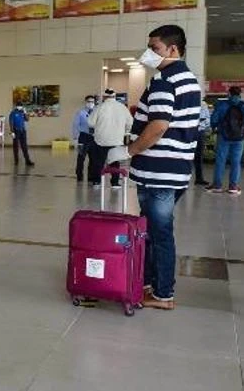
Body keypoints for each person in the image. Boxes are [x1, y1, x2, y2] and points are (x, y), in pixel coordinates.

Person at [107, 25, 201, 310]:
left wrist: (128, 151)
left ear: (173, 49)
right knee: (153, 231)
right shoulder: (189, 79)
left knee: (159, 235)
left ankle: (162, 293)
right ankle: (148, 282)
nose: (149, 53)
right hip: (176, 170)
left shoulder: (164, 79)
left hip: (159, 171)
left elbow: (158, 126)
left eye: (155, 48)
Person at [207, 86, 244, 195]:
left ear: (229, 93)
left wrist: (214, 127)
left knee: (220, 161)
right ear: (239, 94)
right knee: (236, 162)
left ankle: (217, 186)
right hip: (239, 138)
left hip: (223, 136)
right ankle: (233, 186)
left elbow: (214, 118)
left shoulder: (222, 104)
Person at [88, 89, 133, 189]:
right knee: (115, 161)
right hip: (117, 140)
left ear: (104, 97)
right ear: (114, 96)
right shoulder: (122, 107)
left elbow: (90, 123)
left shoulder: (99, 107)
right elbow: (130, 122)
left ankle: (97, 182)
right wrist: (125, 131)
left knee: (98, 162)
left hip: (101, 140)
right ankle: (115, 183)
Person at [72, 95, 96, 183]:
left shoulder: (96, 112)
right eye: (89, 102)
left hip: (94, 137)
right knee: (81, 157)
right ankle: (79, 175)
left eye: (92, 102)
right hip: (83, 137)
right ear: (85, 102)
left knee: (93, 158)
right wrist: (75, 137)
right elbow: (75, 125)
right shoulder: (80, 112)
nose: (90, 103)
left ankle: (91, 176)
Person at [8, 102, 34, 166]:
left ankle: (27, 161)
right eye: (18, 106)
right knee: (16, 146)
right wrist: (12, 132)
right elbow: (11, 122)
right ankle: (16, 161)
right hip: (16, 131)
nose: (20, 107)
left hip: (23, 131)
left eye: (21, 106)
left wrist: (25, 112)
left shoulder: (22, 112)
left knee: (24, 146)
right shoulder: (13, 113)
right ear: (16, 106)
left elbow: (27, 119)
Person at [194, 98, 211, 186]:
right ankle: (199, 178)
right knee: (199, 156)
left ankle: (182, 179)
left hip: (189, 131)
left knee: (187, 155)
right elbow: (207, 119)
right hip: (200, 131)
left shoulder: (187, 100)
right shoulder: (203, 104)